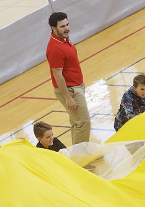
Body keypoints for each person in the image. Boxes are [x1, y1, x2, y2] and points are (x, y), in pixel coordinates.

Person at [47, 12, 90, 145]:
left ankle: (79, 155)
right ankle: (80, 159)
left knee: (77, 123)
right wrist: (68, 97)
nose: (67, 28)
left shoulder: (64, 39)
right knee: (83, 123)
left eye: (67, 24)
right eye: (62, 26)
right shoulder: (55, 49)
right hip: (70, 91)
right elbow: (57, 75)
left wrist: (81, 84)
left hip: (76, 87)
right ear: (53, 28)